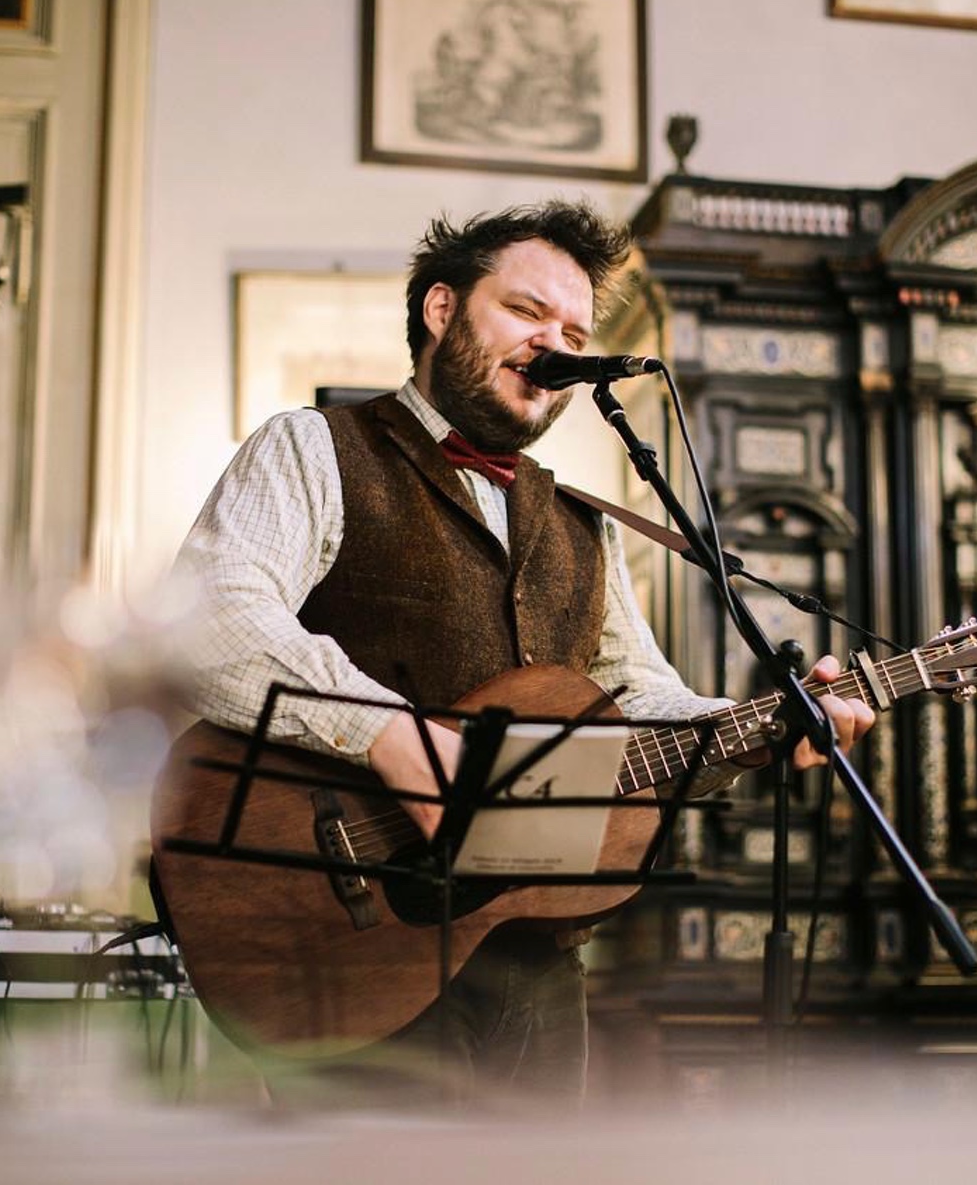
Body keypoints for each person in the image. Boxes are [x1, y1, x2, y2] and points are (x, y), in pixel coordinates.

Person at [171, 200, 873, 1103]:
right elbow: (209, 617)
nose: (555, 344)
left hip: (540, 968)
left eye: (576, 331)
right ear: (441, 309)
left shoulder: (586, 523)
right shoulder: (316, 448)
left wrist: (763, 726)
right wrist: (389, 734)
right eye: (527, 312)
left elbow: (637, 705)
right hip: (353, 943)